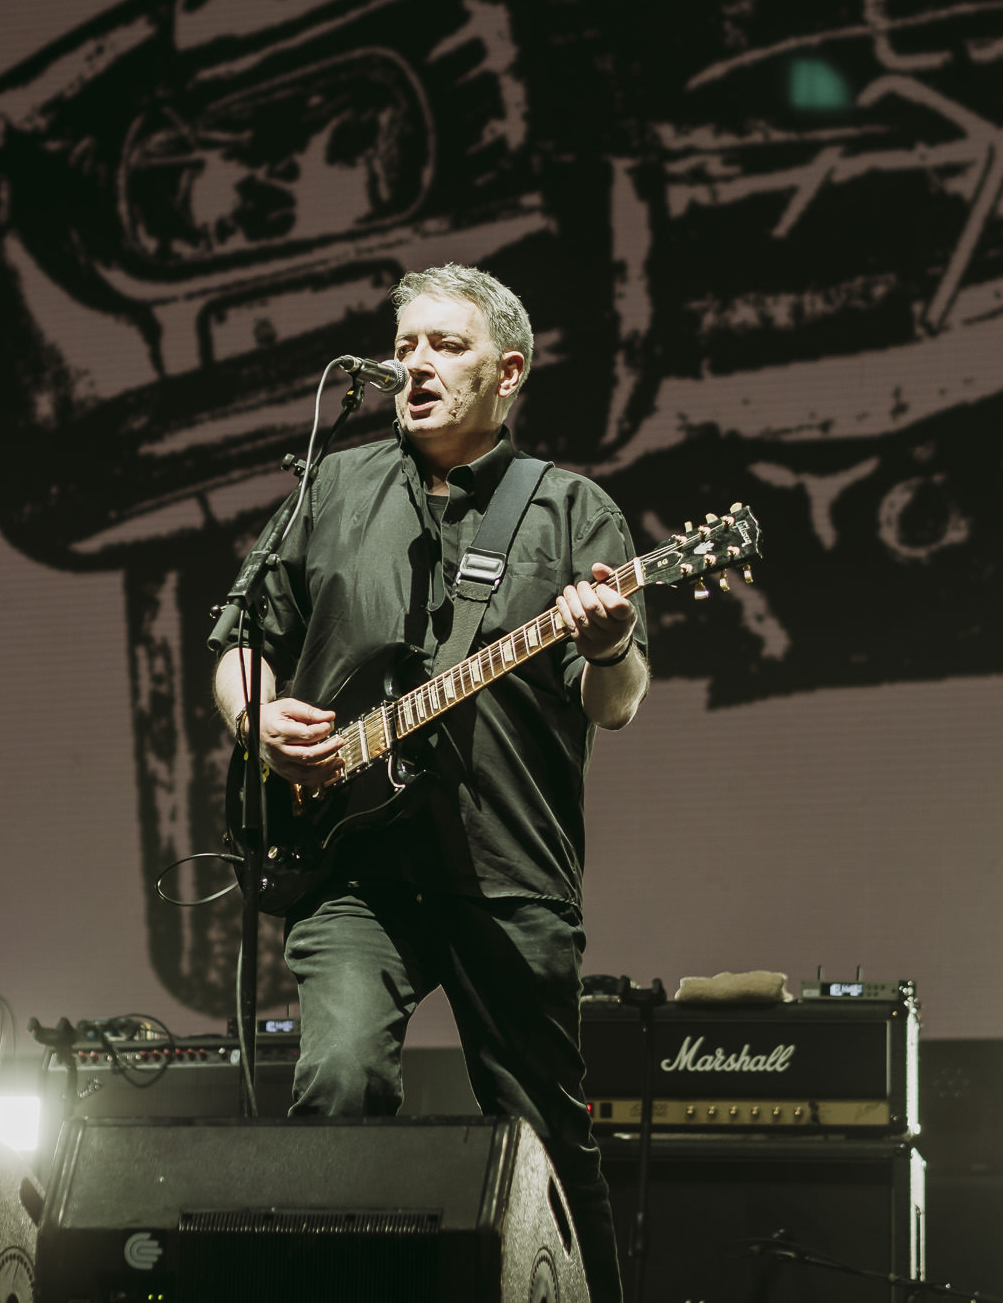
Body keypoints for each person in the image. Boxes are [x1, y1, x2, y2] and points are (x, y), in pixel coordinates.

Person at [208, 262, 649, 1302]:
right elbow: (238, 641)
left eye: (445, 346)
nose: (414, 365)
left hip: (508, 867)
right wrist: (252, 718)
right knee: (337, 1084)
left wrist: (609, 639)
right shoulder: (331, 487)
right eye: (403, 345)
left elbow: (616, 701)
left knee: (547, 1135)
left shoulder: (570, 509)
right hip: (349, 865)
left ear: (508, 371)